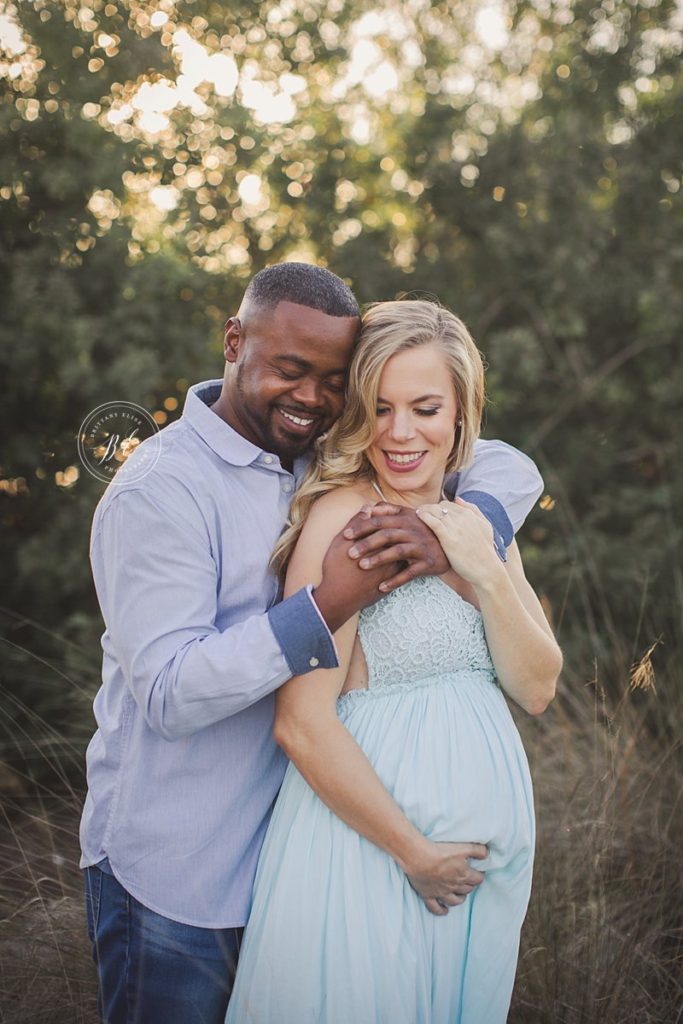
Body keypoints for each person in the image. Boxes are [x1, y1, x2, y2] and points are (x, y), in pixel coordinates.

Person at [80, 264, 543, 1024]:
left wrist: (456, 535)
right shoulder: (159, 489)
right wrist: (327, 604)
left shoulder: (313, 446)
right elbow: (168, 692)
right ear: (233, 342)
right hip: (177, 874)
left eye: (333, 382)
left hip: (295, 853)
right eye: (290, 371)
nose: (312, 398)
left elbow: (500, 461)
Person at [226, 298, 562, 1024]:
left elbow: (536, 687)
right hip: (371, 857)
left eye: (424, 407)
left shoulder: (477, 522)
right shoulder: (344, 520)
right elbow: (301, 723)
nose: (400, 433)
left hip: (477, 885)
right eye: (378, 407)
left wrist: (483, 566)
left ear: (462, 414)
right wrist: (412, 851)